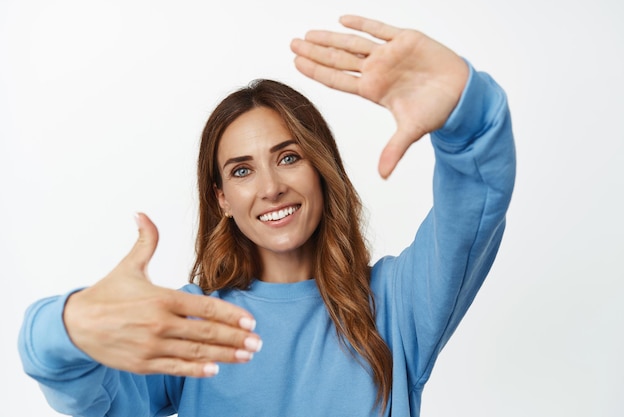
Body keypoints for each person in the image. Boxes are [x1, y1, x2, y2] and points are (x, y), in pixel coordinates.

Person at [18, 14, 515, 417]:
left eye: (289, 157)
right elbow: (95, 400)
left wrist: (467, 111)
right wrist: (67, 323)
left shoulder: (394, 306)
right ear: (222, 201)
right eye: (241, 171)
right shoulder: (194, 323)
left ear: (321, 169)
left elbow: (473, 204)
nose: (271, 187)